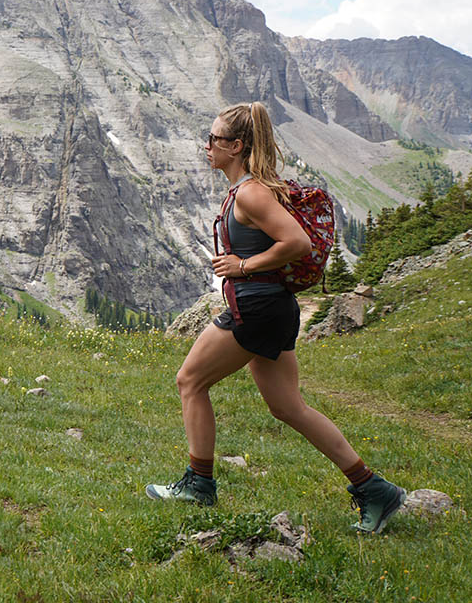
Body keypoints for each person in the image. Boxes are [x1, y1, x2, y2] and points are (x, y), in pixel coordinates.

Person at [144, 102, 406, 534]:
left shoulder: (250, 192)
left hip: (258, 309)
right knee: (288, 407)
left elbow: (298, 242)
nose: (206, 146)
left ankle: (199, 484)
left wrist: (243, 267)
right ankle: (374, 488)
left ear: (237, 146)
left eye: (214, 139)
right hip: (274, 307)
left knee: (190, 381)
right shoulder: (244, 189)